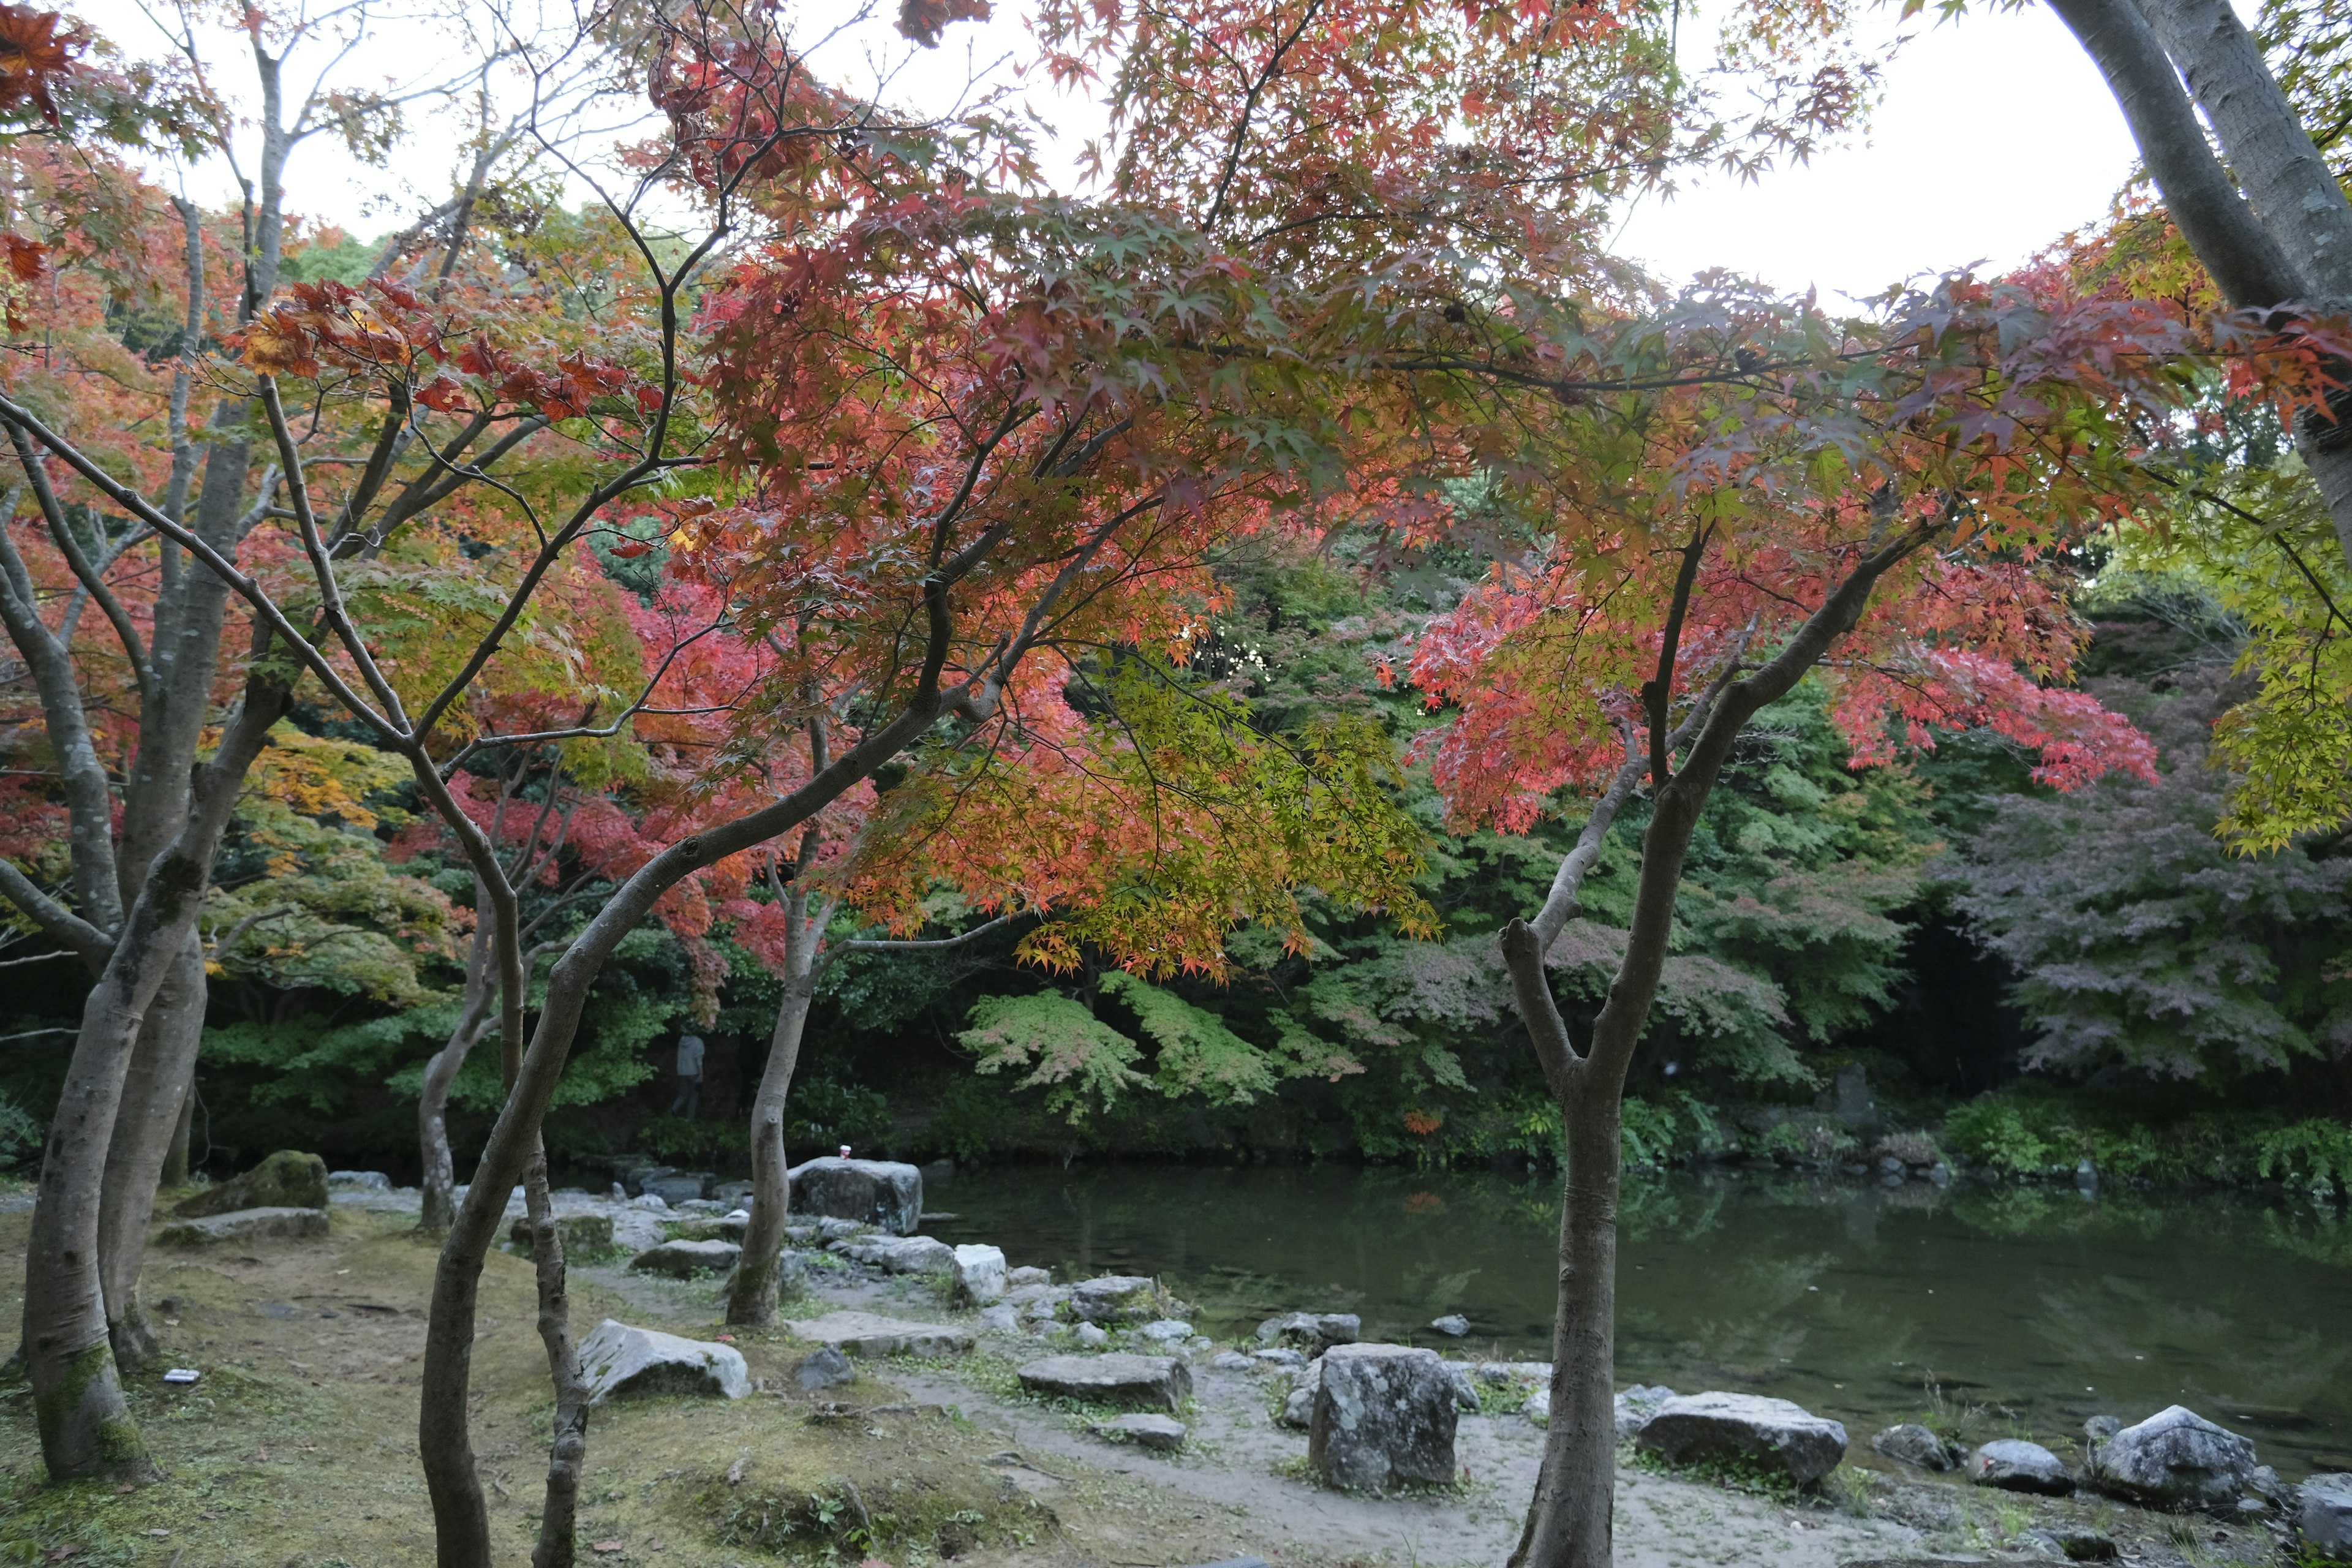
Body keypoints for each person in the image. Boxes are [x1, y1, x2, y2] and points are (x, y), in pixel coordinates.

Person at [670, 1032, 705, 1119]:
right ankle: (690, 1120)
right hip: (693, 1072)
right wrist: (701, 1074)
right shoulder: (698, 1042)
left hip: (682, 1072)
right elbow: (699, 1060)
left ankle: (672, 1112)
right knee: (694, 1096)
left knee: (683, 1095)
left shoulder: (681, 1041)